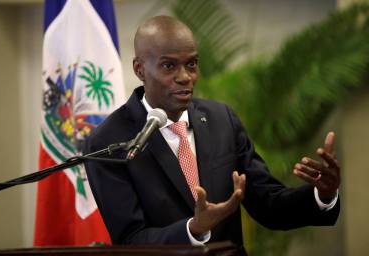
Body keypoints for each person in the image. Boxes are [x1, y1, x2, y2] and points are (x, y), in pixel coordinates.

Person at [84, 15, 340, 254]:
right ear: (140, 70)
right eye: (169, 66)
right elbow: (131, 241)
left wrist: (322, 195)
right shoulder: (108, 141)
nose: (185, 77)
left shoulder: (221, 120)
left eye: (191, 64)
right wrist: (193, 229)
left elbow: (268, 204)